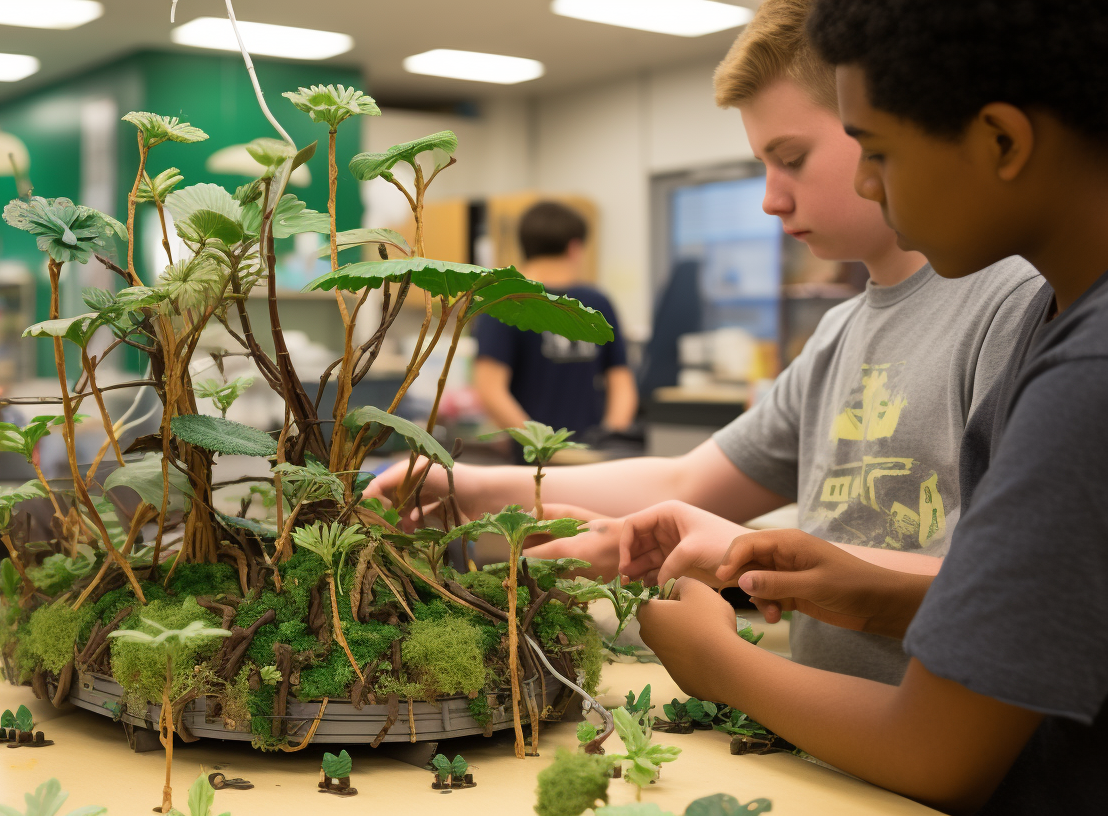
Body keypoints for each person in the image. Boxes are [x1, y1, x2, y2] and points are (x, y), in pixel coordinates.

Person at [366, 0, 1046, 686]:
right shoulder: (841, 331)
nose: (771, 200)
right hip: (824, 736)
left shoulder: (1013, 302)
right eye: (763, 165)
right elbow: (688, 482)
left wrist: (755, 556)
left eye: (793, 159)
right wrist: (477, 490)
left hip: (921, 742)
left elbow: (1017, 593)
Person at [640, 2, 1108, 812]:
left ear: (1002, 141)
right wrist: (871, 589)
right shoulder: (1058, 324)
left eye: (879, 150)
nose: (865, 181)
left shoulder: (1085, 375)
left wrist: (719, 665)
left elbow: (934, 752)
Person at [471, 200, 636, 456]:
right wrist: (607, 439)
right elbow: (622, 381)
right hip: (553, 461)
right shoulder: (597, 303)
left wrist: (544, 445)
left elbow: (490, 389)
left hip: (550, 458)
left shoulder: (503, 300)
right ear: (575, 247)